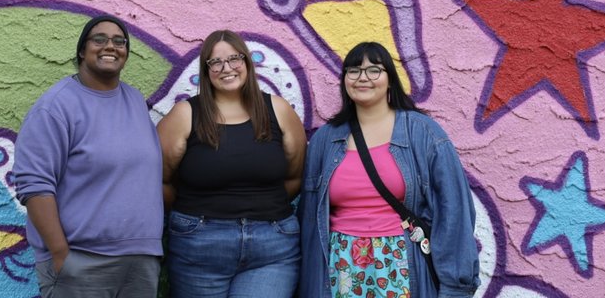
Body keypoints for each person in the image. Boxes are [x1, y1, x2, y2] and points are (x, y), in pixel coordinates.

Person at [298, 42, 480, 298]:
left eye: (374, 70)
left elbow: (454, 210)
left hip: (400, 262)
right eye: (354, 70)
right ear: (345, 81)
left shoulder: (423, 133)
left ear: (390, 80)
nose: (363, 77)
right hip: (341, 266)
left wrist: (456, 287)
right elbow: (308, 220)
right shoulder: (324, 141)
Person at [13, 15, 164, 298]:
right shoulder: (56, 107)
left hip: (140, 262)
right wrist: (61, 255)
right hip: (82, 262)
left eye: (120, 42)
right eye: (100, 39)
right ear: (82, 50)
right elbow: (34, 186)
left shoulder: (134, 100)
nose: (111, 46)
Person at [157, 30, 307, 297]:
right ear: (206, 69)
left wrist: (258, 205)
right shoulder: (184, 115)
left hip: (271, 245)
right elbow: (162, 180)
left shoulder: (279, 110)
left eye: (234, 59)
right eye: (216, 62)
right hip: (200, 245)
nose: (227, 68)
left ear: (247, 62)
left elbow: (295, 176)